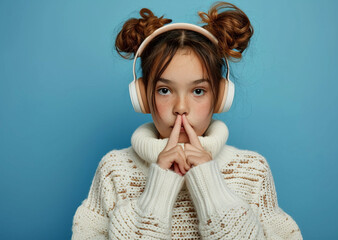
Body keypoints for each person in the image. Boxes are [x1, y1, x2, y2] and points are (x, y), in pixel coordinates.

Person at [71, 2, 303, 239]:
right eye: (164, 90)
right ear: (142, 96)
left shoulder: (253, 171)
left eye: (198, 91)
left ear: (221, 96)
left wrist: (211, 188)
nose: (181, 108)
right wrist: (157, 192)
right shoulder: (114, 171)